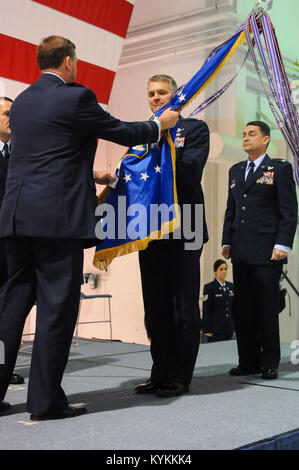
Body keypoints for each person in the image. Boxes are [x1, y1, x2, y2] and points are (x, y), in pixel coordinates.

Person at [0, 36, 179, 419]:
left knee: (10, 309)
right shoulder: (76, 97)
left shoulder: (23, 102)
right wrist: (157, 125)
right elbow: (123, 132)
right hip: (57, 222)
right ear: (68, 61)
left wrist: (89, 172)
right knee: (56, 311)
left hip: (16, 218)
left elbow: (48, 156)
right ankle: (45, 402)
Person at [135, 74, 210, 397]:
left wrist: (162, 144)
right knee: (155, 307)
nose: (155, 97)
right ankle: (159, 373)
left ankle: (179, 376)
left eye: (161, 92)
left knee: (183, 306)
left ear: (175, 95)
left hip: (186, 222)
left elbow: (190, 171)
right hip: (150, 227)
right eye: (151, 93)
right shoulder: (142, 135)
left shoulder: (194, 130)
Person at [222, 121, 298, 380]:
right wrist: (226, 241)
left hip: (267, 252)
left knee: (266, 309)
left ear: (265, 139)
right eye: (243, 134)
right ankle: (248, 361)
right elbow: (231, 209)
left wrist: (283, 244)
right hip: (241, 251)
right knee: (243, 309)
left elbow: (289, 211)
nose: (245, 138)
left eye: (251, 134)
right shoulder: (235, 170)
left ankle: (269, 362)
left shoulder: (279, 169)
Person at [0, 97, 24, 387]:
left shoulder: (17, 152)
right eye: (7, 113)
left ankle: (3, 369)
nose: (11, 118)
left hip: (11, 245)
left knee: (6, 313)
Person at [202, 259, 234, 343]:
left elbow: (233, 308)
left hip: (229, 327)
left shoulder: (231, 287)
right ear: (215, 271)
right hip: (215, 329)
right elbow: (206, 309)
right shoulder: (209, 287)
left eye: (225, 269)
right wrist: (206, 329)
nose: (224, 271)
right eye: (221, 269)